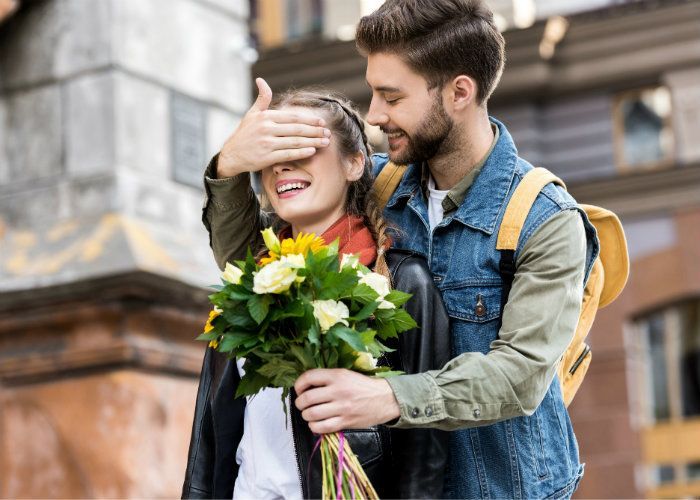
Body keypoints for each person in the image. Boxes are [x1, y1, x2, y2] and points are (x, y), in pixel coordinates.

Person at [198, 1, 602, 498]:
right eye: (372, 93)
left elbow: (518, 376)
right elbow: (255, 268)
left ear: (459, 92)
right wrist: (229, 169)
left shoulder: (545, 220)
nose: (374, 114)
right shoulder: (381, 182)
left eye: (391, 96)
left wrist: (386, 396)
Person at [181, 88, 450, 499]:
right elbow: (211, 444)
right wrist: (229, 162)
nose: (283, 164)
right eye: (272, 152)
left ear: (355, 163)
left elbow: (424, 457)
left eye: (304, 146)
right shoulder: (250, 282)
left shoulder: (402, 280)